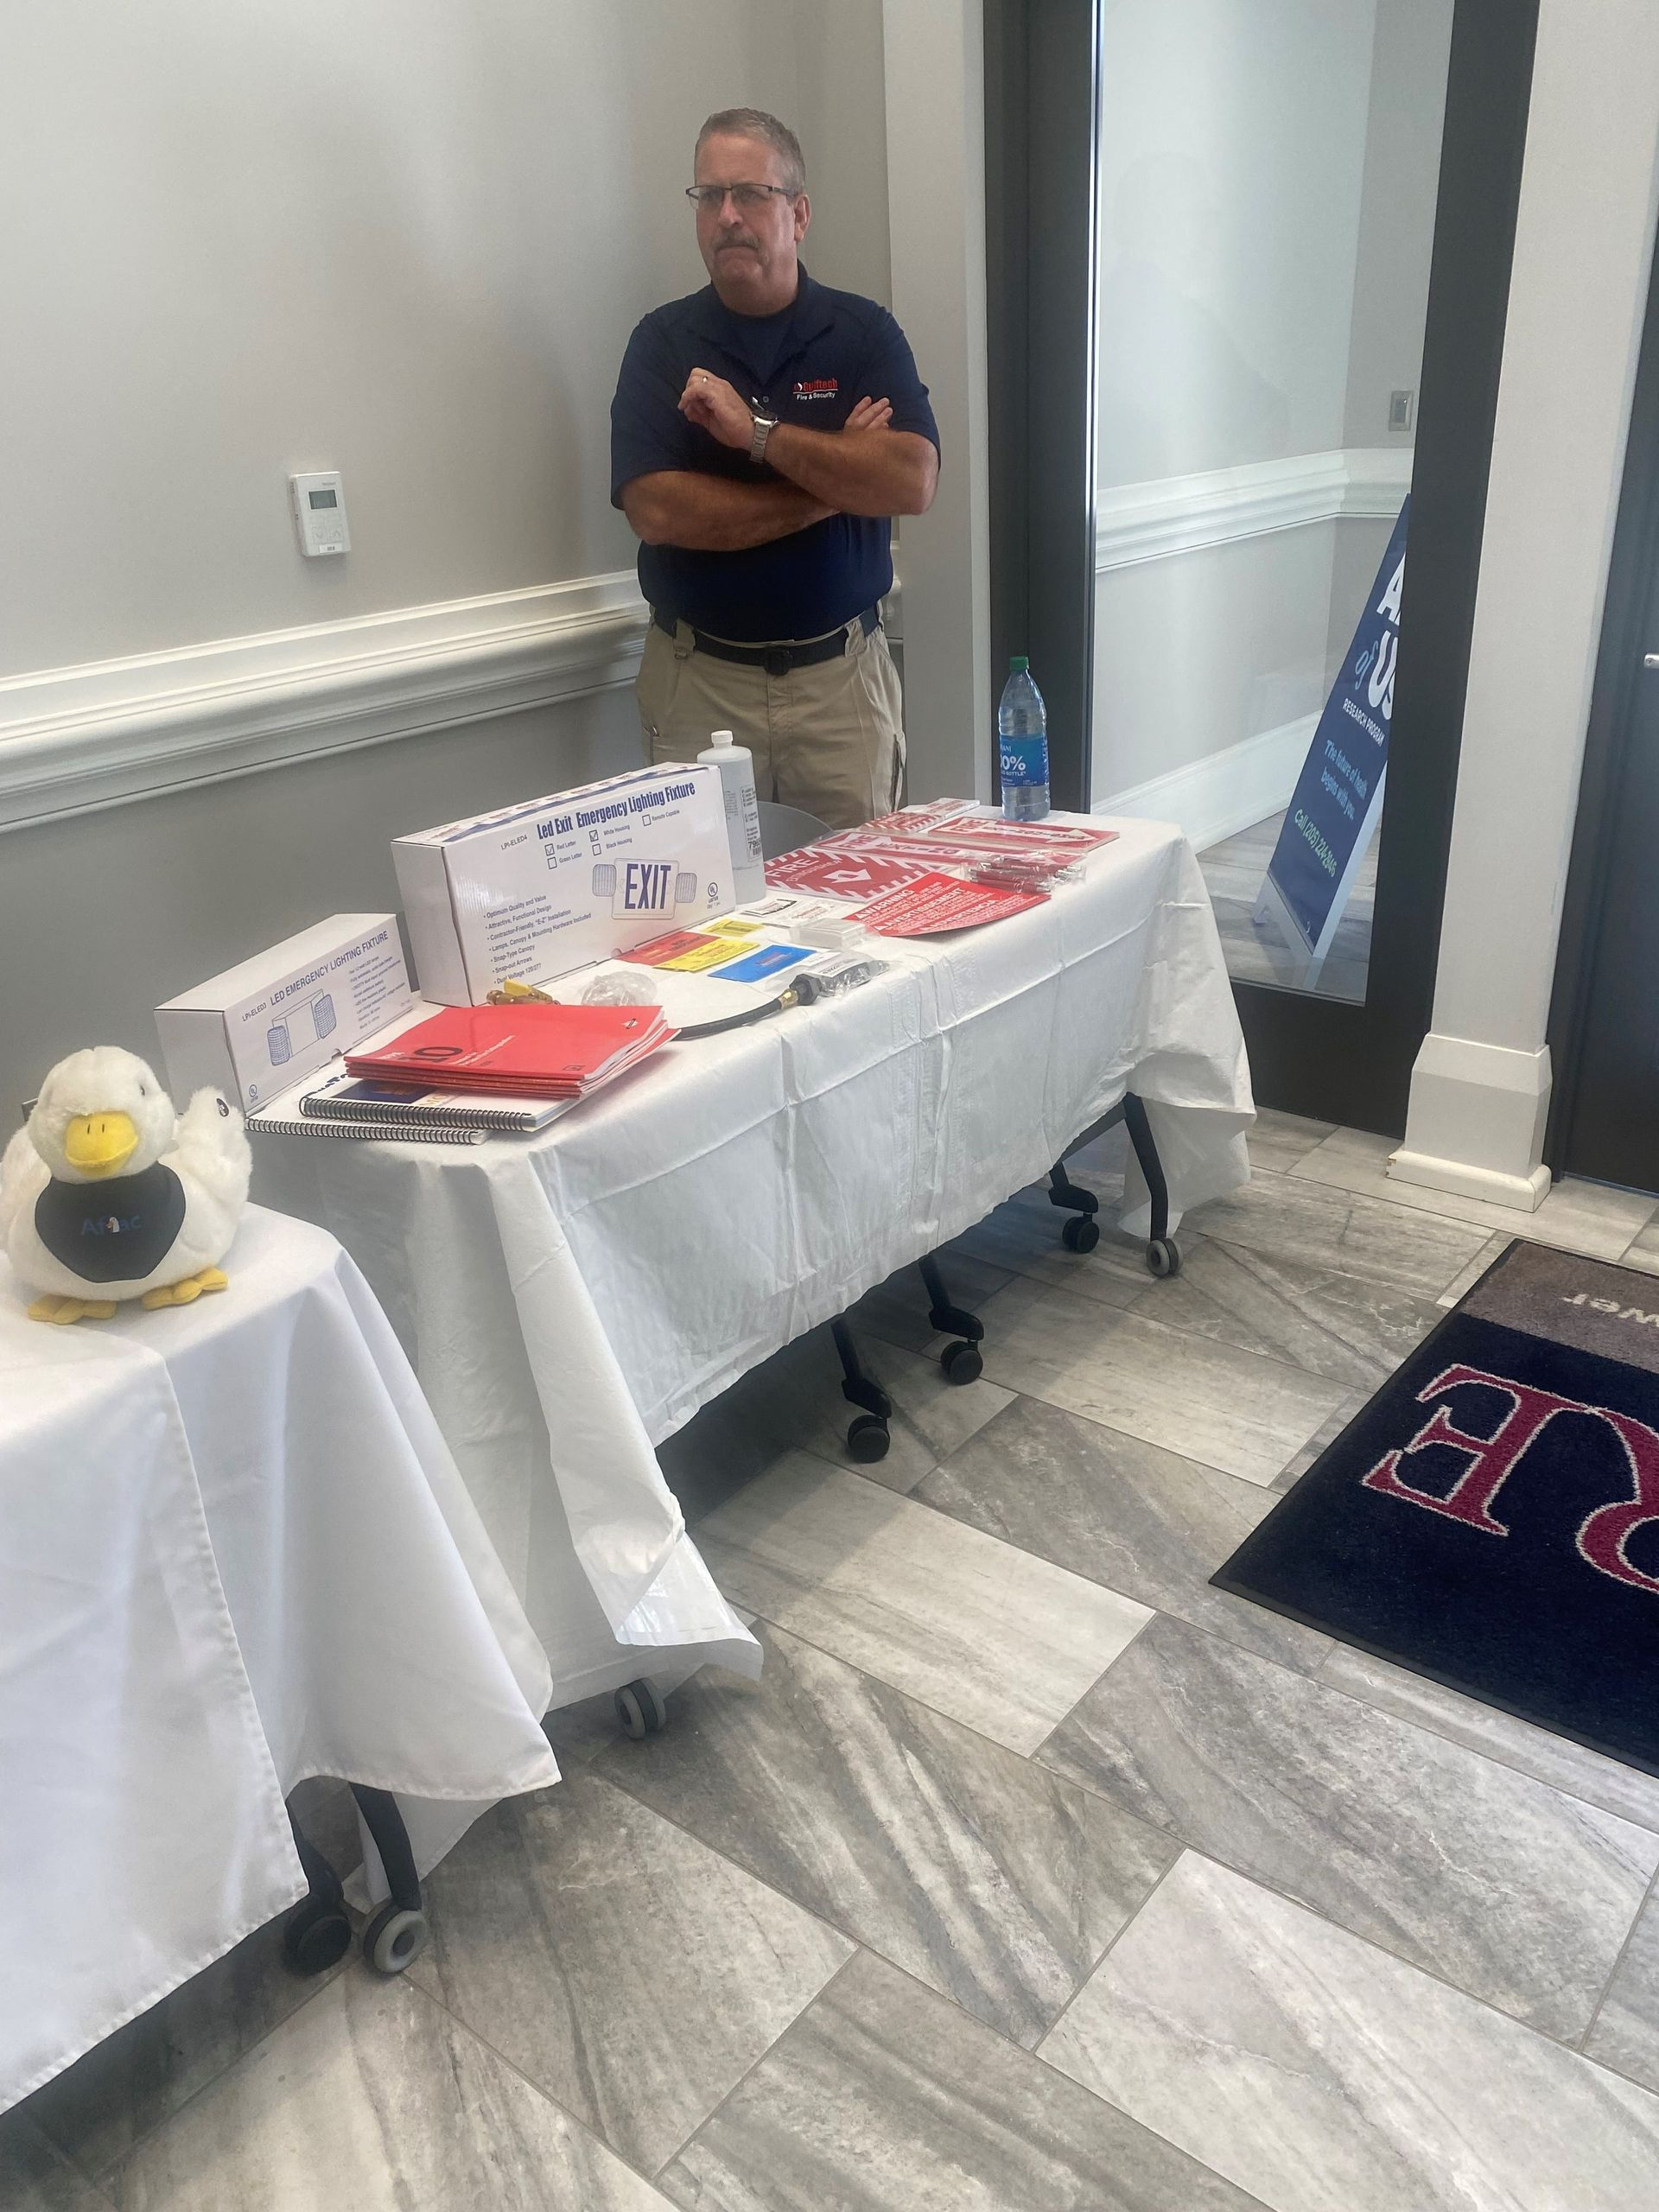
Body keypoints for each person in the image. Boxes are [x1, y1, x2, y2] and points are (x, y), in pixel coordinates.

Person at [611, 107, 939, 831]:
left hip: (841, 688)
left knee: (862, 909)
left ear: (799, 212)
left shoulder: (861, 334)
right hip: (699, 686)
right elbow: (658, 511)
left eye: (751, 194)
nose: (728, 215)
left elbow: (910, 480)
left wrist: (755, 434)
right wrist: (828, 486)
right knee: (702, 924)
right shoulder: (662, 344)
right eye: (709, 196)